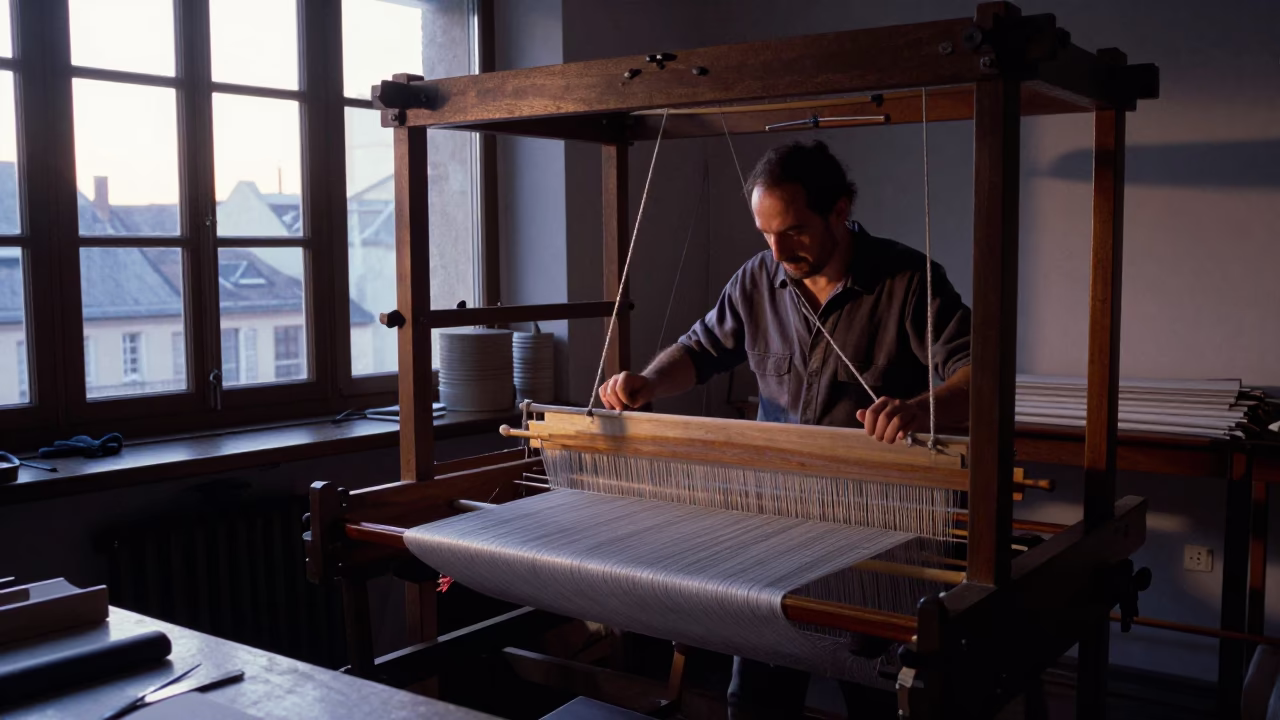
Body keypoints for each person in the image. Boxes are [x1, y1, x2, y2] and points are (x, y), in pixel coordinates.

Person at [595, 140, 973, 718]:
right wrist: (647, 381)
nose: (776, 248)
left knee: (875, 690)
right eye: (764, 233)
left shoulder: (909, 281)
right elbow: (700, 350)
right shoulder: (758, 278)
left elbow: (980, 374)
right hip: (777, 526)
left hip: (876, 527)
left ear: (840, 211)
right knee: (756, 700)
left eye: (793, 231)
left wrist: (921, 408)